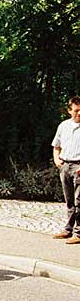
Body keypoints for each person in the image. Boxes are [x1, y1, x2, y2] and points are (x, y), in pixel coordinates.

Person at [53, 96, 80, 244]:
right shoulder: (63, 126)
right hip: (65, 166)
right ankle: (68, 229)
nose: (79, 113)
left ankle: (79, 233)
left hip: (79, 167)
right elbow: (56, 146)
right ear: (69, 111)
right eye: (76, 110)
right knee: (69, 200)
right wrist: (57, 161)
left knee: (79, 201)